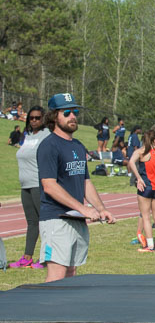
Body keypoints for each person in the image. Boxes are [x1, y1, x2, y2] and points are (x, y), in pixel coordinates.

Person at [37, 93, 115, 281]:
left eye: (75, 111)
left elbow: (85, 181)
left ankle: (66, 311)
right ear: (54, 116)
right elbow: (49, 186)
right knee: (57, 276)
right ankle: (46, 311)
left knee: (71, 275)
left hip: (76, 219)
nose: (73, 116)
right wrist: (82, 208)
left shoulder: (78, 146)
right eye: (67, 112)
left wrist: (101, 209)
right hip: (56, 219)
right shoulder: (49, 145)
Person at [12, 106, 49, 269]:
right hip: (25, 185)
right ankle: (27, 257)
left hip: (37, 184)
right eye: (31, 118)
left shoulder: (46, 135)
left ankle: (47, 258)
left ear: (43, 119)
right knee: (32, 222)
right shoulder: (27, 136)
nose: (34, 120)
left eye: (37, 118)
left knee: (45, 222)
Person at [129, 124, 155, 252]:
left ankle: (150, 245)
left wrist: (138, 177)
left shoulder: (141, 152)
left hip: (145, 187)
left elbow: (130, 162)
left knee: (146, 216)